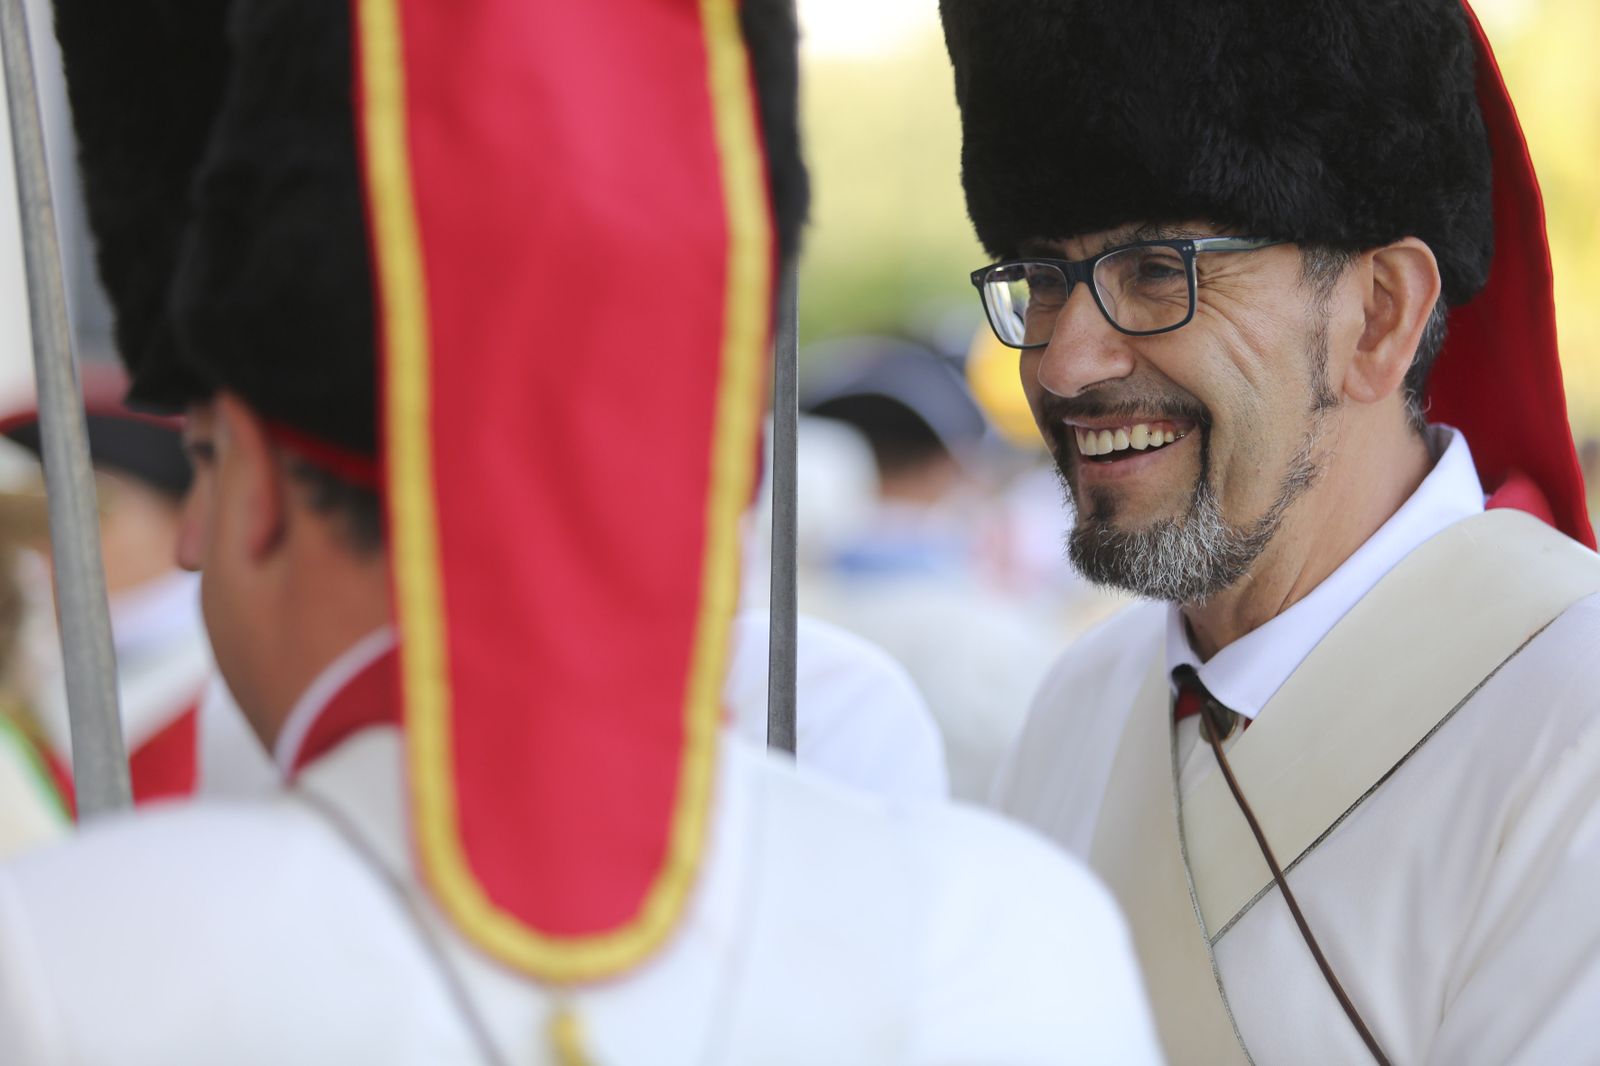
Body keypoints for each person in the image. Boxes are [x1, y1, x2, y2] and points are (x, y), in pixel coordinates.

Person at [0, 1, 1161, 1062]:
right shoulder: (1014, 930)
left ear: (251, 483)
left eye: (201, 457)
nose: (190, 538)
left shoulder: (58, 963)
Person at [941, 0, 1600, 1061]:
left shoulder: (1575, 716)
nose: (1064, 364)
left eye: (1158, 270)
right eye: (1046, 279)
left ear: (1377, 314)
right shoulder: (1077, 700)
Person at [1, 366, 267, 805]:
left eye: (90, 511)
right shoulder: (34, 666)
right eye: (42, 512)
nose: (51, 539)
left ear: (182, 516)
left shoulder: (235, 686)